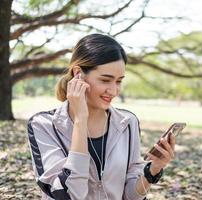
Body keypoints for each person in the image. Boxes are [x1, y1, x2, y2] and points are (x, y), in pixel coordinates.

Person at [27, 33, 176, 200]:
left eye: (119, 81)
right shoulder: (43, 125)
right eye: (105, 80)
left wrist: (152, 171)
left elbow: (130, 196)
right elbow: (69, 195)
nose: (113, 91)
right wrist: (80, 120)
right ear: (78, 74)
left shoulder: (127, 123)